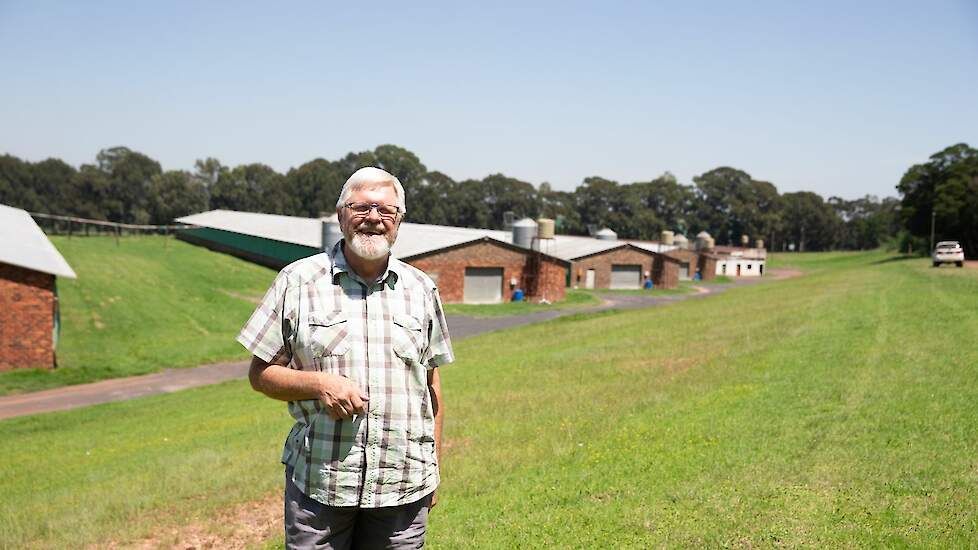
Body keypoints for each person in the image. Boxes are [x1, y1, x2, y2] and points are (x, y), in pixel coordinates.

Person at [238, 167, 454, 549]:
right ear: (340, 215)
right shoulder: (297, 281)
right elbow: (261, 373)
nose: (374, 218)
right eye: (362, 207)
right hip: (322, 483)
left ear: (399, 221)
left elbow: (432, 387)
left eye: (386, 211)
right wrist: (319, 384)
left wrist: (433, 469)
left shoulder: (422, 289)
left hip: (403, 485)